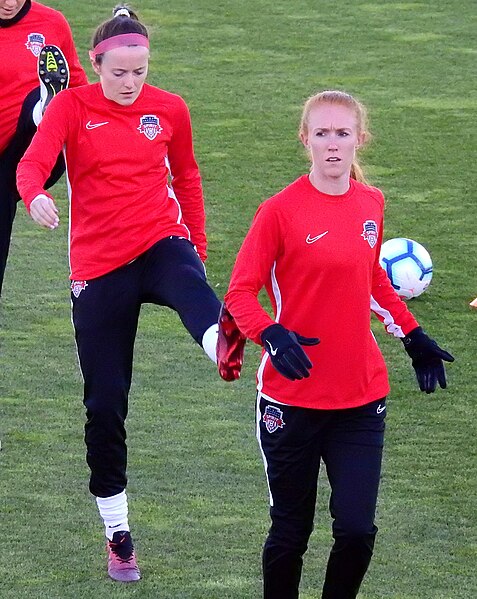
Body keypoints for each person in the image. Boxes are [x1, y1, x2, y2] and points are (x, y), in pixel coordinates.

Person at [17, 4, 245, 583]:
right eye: (118, 72)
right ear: (95, 65)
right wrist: (35, 194)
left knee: (191, 283)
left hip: (159, 239)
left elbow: (186, 175)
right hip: (97, 266)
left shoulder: (169, 109)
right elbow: (33, 163)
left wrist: (196, 237)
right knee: (105, 402)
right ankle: (117, 531)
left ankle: (224, 343)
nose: (129, 82)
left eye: (139, 71)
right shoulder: (71, 106)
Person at [222, 90, 454, 599]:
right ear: (305, 140)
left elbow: (373, 276)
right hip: (291, 400)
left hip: (360, 396)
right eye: (322, 133)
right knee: (290, 533)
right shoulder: (278, 212)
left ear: (359, 140)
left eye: (342, 133)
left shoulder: (372, 203)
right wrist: (271, 333)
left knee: (356, 531)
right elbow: (240, 291)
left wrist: (412, 334)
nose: (332, 144)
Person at [0, 0, 87, 298]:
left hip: (41, 151)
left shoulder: (51, 23)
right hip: (4, 171)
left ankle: (44, 108)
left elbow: (79, 86)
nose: (10, 3)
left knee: (35, 106)